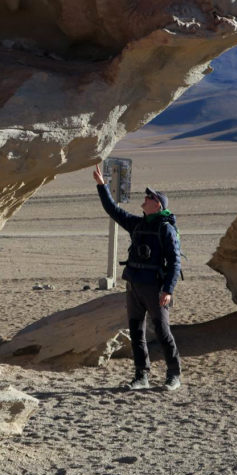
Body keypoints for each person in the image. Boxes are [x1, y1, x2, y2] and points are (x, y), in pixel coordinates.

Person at [93, 164, 182, 391]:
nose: (144, 198)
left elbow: (174, 262)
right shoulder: (138, 224)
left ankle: (174, 375)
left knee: (162, 332)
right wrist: (102, 185)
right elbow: (113, 210)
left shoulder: (166, 229)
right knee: (136, 333)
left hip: (155, 288)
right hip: (133, 286)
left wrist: (168, 290)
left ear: (158, 204)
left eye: (149, 197)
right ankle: (141, 376)